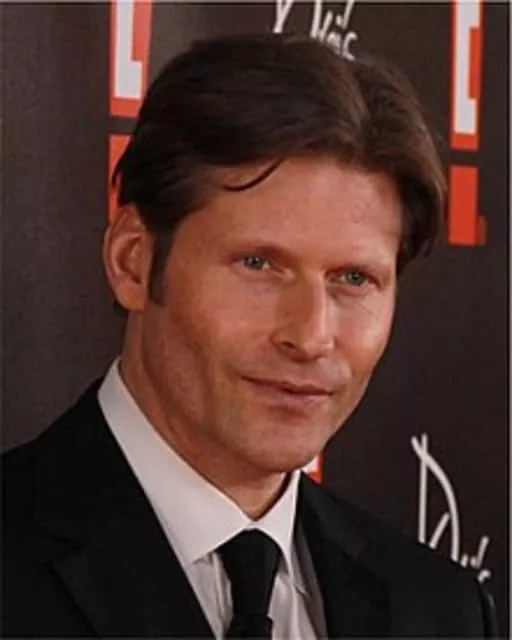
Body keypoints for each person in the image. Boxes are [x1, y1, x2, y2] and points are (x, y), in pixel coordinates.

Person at [2, 33, 498, 638]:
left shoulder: (442, 611)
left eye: (353, 278)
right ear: (133, 262)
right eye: (259, 265)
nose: (311, 336)